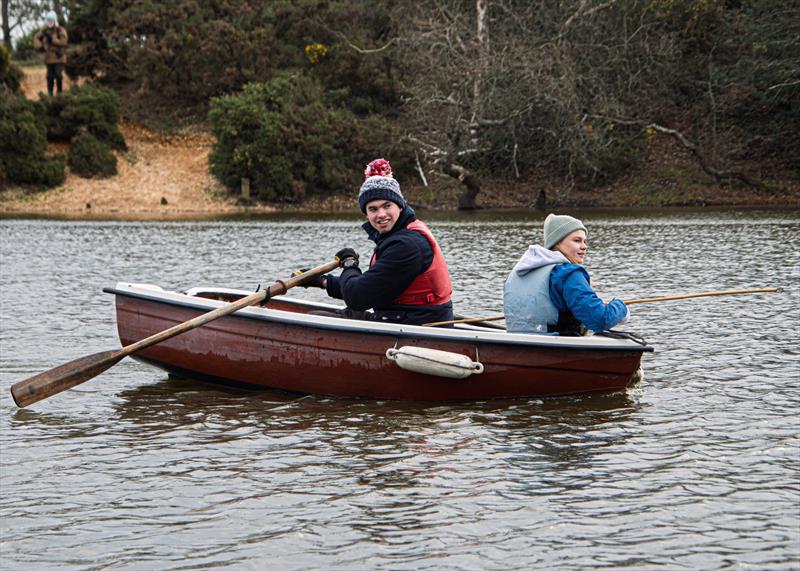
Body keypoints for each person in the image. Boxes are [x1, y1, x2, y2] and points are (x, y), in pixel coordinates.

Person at [299, 158, 454, 326]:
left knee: (312, 321)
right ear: (366, 214)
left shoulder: (407, 246)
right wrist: (321, 280)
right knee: (315, 315)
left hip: (417, 332)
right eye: (373, 209)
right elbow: (371, 287)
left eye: (387, 206)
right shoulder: (398, 235)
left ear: (400, 206)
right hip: (398, 319)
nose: (381, 214)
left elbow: (357, 298)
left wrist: (350, 264)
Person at [503, 213, 628, 335]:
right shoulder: (568, 274)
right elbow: (600, 320)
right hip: (554, 349)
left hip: (516, 344)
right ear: (557, 242)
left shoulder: (517, 272)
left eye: (584, 241)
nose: (584, 246)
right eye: (577, 240)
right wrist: (621, 308)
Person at [33, 11, 68, 96]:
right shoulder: (44, 30)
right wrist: (40, 46)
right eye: (48, 20)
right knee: (49, 76)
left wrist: (54, 40)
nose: (50, 22)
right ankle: (50, 93)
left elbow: (64, 41)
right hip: (48, 58)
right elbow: (36, 38)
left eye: (51, 20)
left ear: (55, 20)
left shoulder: (60, 29)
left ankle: (59, 92)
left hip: (58, 57)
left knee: (58, 75)